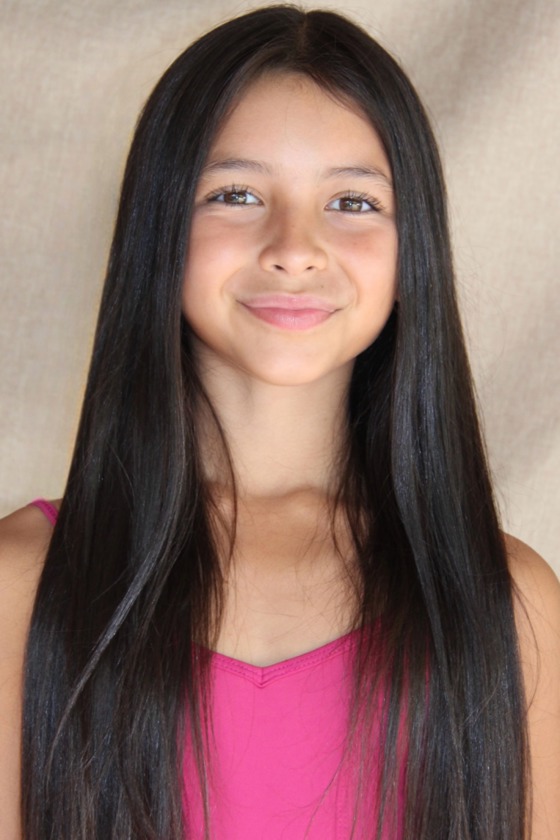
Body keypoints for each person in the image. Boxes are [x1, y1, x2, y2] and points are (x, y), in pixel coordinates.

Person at [0, 5, 558, 839]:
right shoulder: (22, 585)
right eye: (236, 194)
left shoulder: (509, 605)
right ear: (158, 227)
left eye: (353, 201)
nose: (294, 247)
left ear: (414, 251)